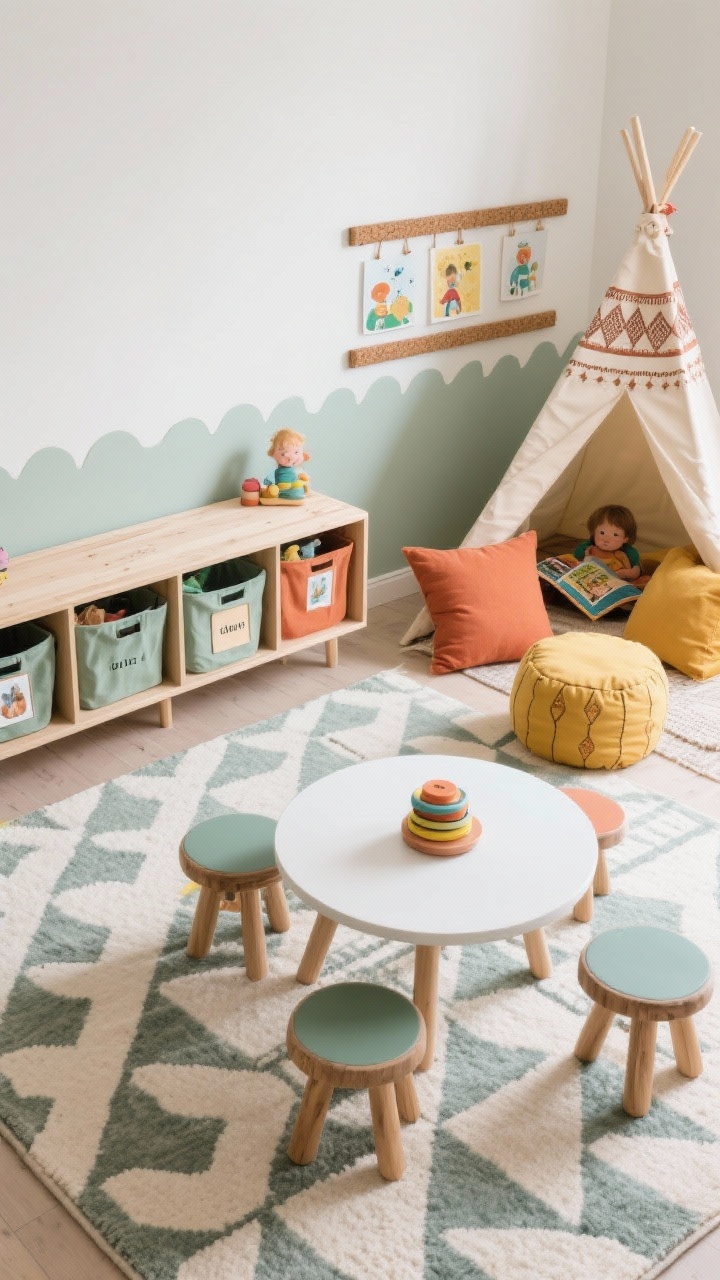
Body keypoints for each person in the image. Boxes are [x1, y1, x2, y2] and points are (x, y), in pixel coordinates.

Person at [574, 505, 642, 581]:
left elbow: (635, 570)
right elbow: (577, 555)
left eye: (615, 534)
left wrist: (627, 573)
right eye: (602, 533)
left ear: (625, 538)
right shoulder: (589, 547)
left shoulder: (628, 552)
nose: (606, 539)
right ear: (593, 532)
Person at [264, 429, 310, 500]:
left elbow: (299, 475)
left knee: (301, 481)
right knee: (274, 488)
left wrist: (303, 480)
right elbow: (270, 479)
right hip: (283, 492)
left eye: (296, 452)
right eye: (283, 454)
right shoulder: (276, 471)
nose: (291, 458)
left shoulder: (296, 470)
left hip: (297, 492)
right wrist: (271, 485)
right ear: (273, 453)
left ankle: (303, 486)